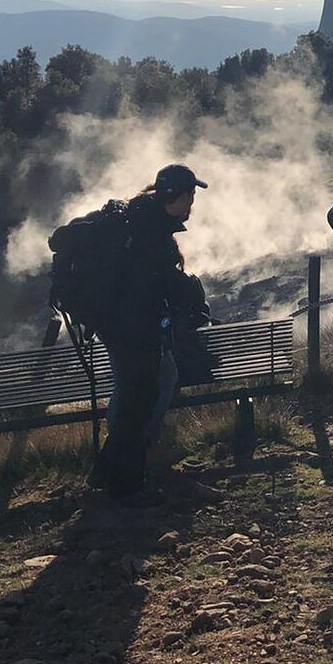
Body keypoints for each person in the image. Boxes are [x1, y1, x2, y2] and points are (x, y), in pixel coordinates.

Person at [92, 163, 208, 501]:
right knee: (137, 395)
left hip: (121, 323)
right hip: (132, 327)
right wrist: (185, 293)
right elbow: (150, 281)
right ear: (178, 195)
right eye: (190, 196)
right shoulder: (149, 228)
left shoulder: (142, 217)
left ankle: (121, 466)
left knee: (153, 382)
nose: (192, 204)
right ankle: (123, 478)